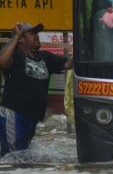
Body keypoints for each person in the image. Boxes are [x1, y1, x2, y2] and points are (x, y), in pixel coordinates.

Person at [0, 22, 73, 157]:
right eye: (32, 33)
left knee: (23, 155)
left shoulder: (44, 57)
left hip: (32, 117)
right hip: (14, 114)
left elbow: (68, 64)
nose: (37, 36)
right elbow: (2, 62)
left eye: (37, 33)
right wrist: (15, 37)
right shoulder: (15, 57)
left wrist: (83, 48)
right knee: (13, 157)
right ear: (21, 39)